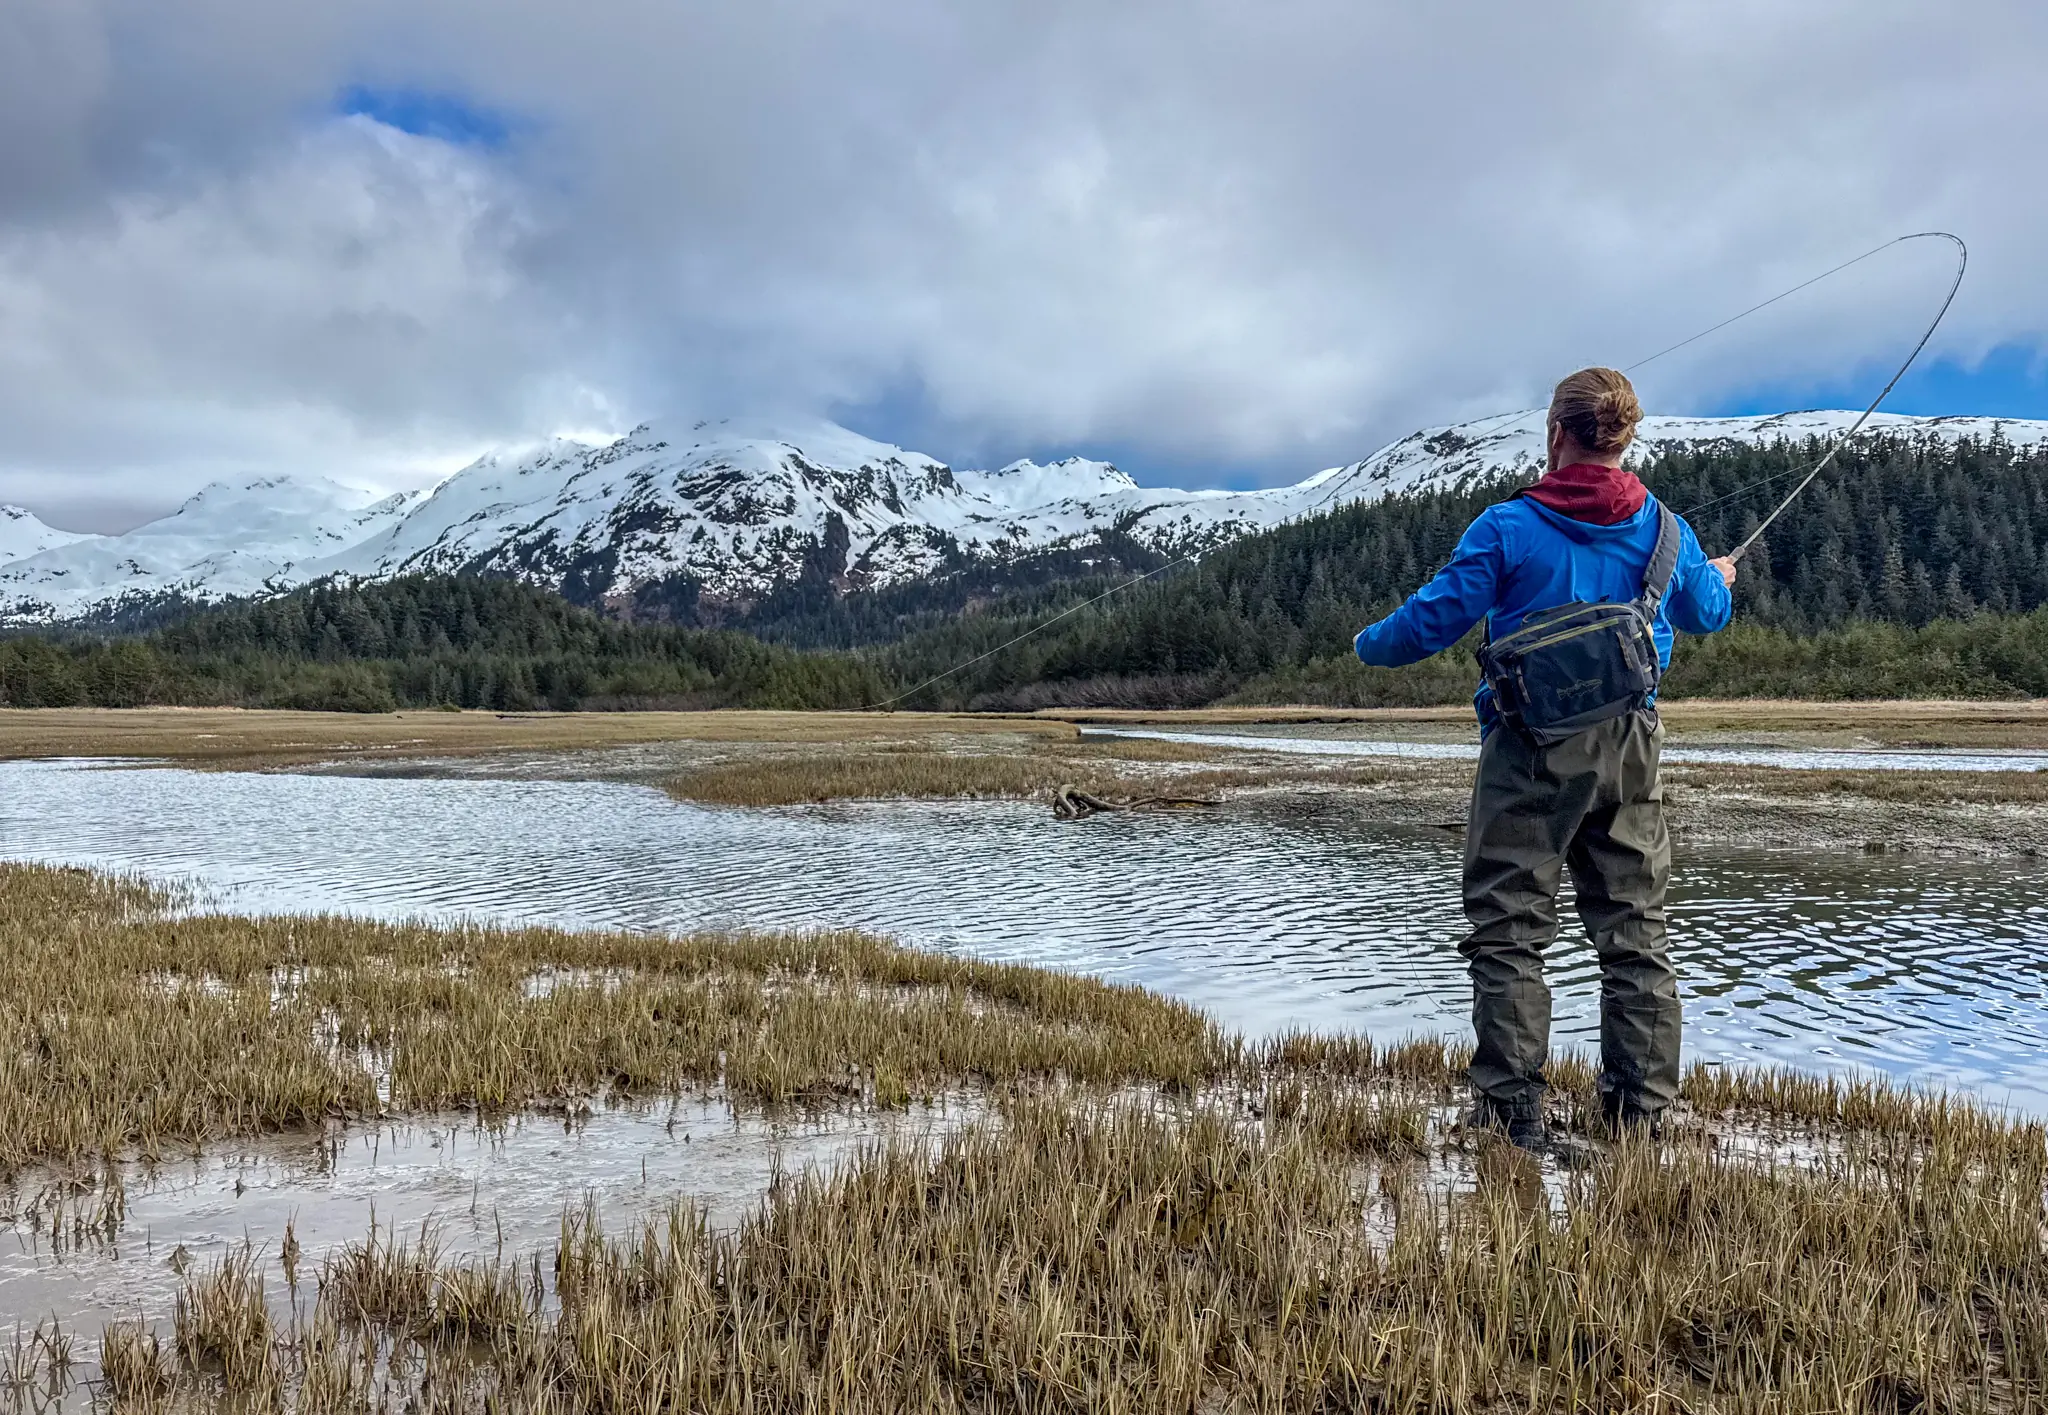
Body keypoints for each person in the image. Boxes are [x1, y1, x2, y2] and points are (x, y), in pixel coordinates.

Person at [1352, 367, 1735, 1150]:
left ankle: (1511, 1113)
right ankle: (1642, 1115)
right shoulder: (1668, 529)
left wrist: (1365, 643)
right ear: (1624, 437)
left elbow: (1425, 625)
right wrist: (1719, 578)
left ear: (1557, 433)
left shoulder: (1507, 526)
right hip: (1630, 747)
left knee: (1510, 929)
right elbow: (1708, 613)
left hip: (1527, 750)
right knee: (1635, 931)